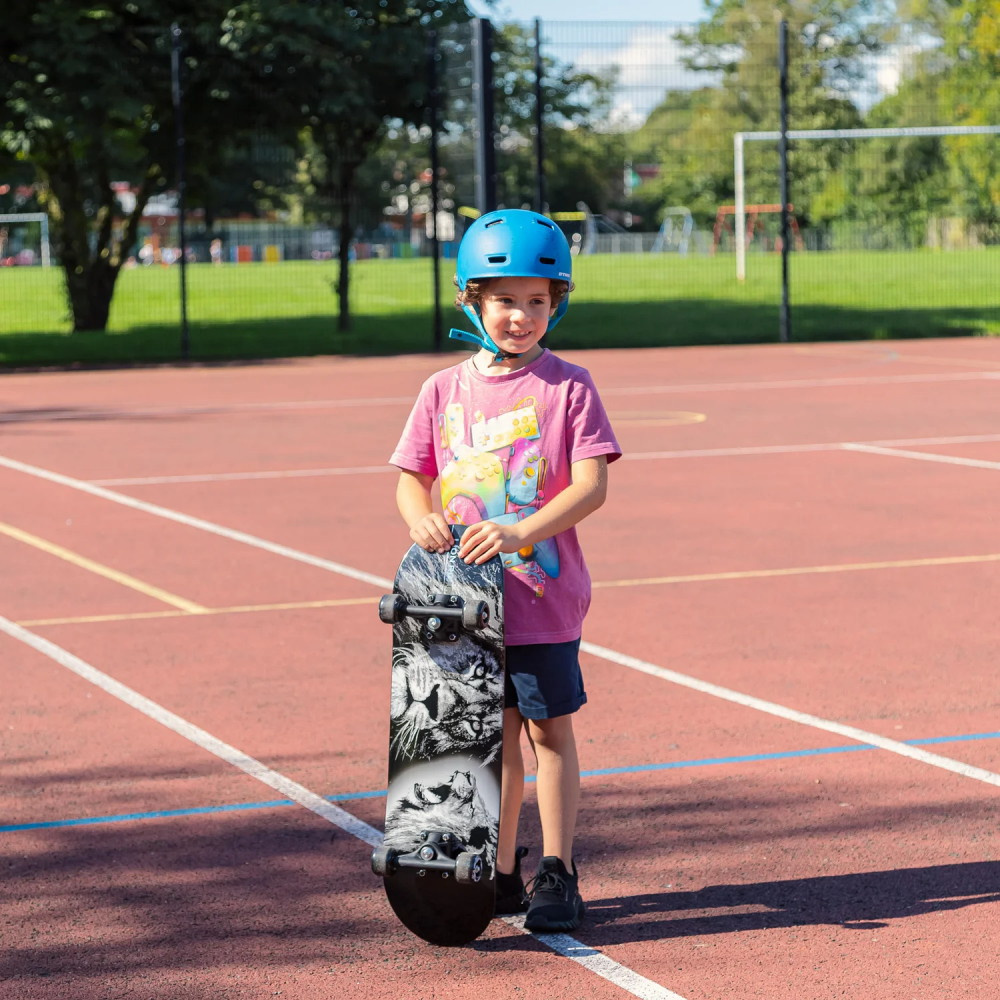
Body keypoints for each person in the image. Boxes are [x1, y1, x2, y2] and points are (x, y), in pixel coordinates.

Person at [388, 209, 621, 932]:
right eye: (504, 299)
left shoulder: (568, 387)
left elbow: (591, 485)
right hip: (467, 605)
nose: (520, 316)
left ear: (557, 305)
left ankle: (559, 868)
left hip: (542, 598)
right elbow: (409, 476)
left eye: (537, 301)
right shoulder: (442, 389)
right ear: (470, 300)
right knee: (492, 738)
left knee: (548, 735)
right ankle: (501, 867)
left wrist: (522, 528)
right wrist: (418, 517)